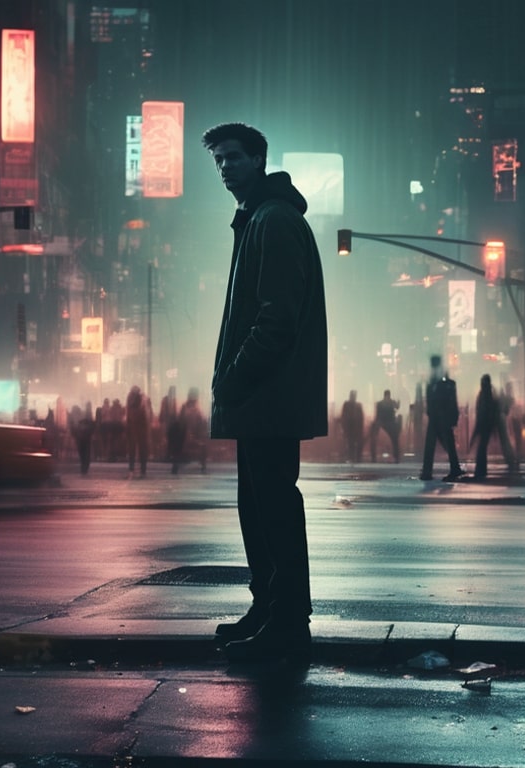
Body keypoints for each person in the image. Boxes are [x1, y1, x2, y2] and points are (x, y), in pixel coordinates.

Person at [203, 122, 327, 664]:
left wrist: (233, 378)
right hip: (261, 399)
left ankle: (286, 622)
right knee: (258, 509)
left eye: (233, 157)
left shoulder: (273, 221)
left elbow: (275, 320)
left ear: (258, 160)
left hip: (267, 398)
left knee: (273, 510)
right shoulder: (259, 217)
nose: (225, 167)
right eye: (219, 160)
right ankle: (268, 610)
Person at [420, 354, 464, 482]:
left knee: (432, 445)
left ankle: (428, 471)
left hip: (438, 416)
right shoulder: (442, 381)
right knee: (446, 443)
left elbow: (433, 399)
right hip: (441, 417)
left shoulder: (434, 381)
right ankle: (453, 468)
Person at [468, 374, 500, 481]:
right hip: (486, 424)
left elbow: (483, 411)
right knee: (482, 448)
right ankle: (482, 470)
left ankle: (480, 470)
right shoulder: (489, 394)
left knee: (481, 448)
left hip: (483, 424)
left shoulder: (484, 395)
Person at [368, 390, 401, 463]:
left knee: (394, 439)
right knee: (394, 439)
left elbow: (397, 407)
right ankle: (395, 457)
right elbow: (397, 407)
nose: (388, 397)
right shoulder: (387, 403)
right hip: (385, 422)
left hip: (386, 422)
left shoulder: (384, 403)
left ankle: (396, 456)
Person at [125, 385, 151, 477]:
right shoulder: (144, 399)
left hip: (134, 428)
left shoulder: (131, 399)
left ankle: (132, 470)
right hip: (141, 428)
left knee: (133, 450)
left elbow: (128, 415)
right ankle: (142, 470)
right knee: (142, 450)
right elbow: (148, 415)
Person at [339, 391, 364, 463]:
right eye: (353, 395)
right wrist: (344, 427)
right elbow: (344, 415)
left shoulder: (357, 405)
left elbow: (361, 417)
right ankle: (352, 458)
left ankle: (356, 458)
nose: (354, 397)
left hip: (355, 426)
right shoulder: (347, 404)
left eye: (354, 395)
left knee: (354, 443)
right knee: (351, 443)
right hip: (350, 426)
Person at [71, 404, 96, 476]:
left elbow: (74, 427)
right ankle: (84, 468)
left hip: (83, 437)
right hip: (84, 437)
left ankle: (84, 468)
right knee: (84, 453)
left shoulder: (83, 417)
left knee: (83, 453)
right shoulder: (87, 417)